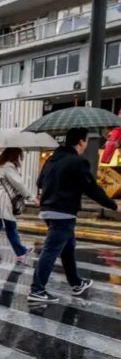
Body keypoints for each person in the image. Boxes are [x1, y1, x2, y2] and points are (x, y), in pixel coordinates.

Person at [29, 128, 119, 303]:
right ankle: (37, 290)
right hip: (63, 212)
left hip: (48, 209)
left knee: (68, 248)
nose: (86, 145)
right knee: (51, 250)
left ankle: (76, 283)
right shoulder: (77, 162)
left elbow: (39, 182)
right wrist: (113, 205)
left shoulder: (52, 159)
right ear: (81, 142)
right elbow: (92, 188)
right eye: (86, 141)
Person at [0, 148, 38, 264]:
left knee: (9, 226)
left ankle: (20, 251)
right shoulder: (8, 167)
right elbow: (18, 184)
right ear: (14, 155)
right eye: (19, 155)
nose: (19, 158)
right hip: (2, 199)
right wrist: (31, 197)